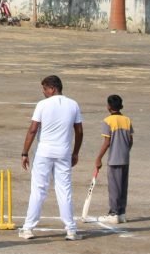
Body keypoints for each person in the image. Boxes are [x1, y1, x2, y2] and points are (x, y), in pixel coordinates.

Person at [19, 75, 83, 241]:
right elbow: (79, 131)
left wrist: (25, 152)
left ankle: (28, 229)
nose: (43, 92)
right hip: (63, 152)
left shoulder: (43, 105)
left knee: (38, 190)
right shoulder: (73, 104)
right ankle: (71, 229)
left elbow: (33, 130)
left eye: (45, 89)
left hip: (44, 152)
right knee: (64, 190)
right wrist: (75, 152)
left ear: (52, 88)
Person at [94, 94, 134, 224]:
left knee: (114, 187)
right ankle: (121, 213)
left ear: (109, 106)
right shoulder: (127, 120)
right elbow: (130, 140)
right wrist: (125, 151)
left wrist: (98, 158)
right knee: (123, 186)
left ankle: (113, 213)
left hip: (114, 159)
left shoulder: (108, 121)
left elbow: (107, 142)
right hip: (125, 158)